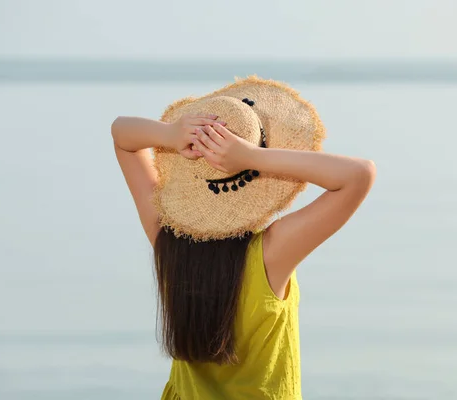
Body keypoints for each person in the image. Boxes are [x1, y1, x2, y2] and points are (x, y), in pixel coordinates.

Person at [111, 76, 376, 399]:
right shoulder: (271, 254)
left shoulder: (167, 240)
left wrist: (170, 133)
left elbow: (122, 134)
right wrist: (253, 158)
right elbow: (358, 175)